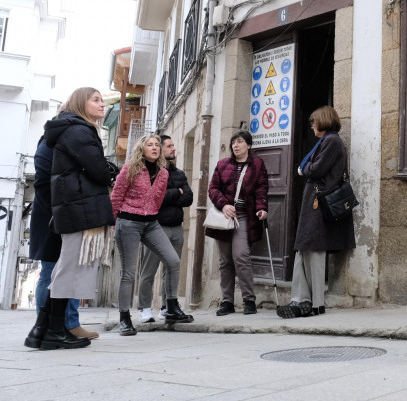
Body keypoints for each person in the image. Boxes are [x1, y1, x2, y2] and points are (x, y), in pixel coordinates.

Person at [24, 88, 116, 350]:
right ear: (79, 104)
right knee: (63, 271)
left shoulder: (71, 131)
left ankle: (44, 329)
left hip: (70, 206)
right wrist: (108, 173)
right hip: (73, 208)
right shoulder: (78, 130)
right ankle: (53, 330)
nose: (102, 105)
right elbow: (97, 169)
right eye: (96, 100)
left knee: (64, 270)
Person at [277, 106, 355, 319]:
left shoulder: (331, 141)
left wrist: (304, 169)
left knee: (313, 249)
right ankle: (302, 300)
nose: (311, 126)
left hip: (318, 201)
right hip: (315, 201)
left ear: (324, 121)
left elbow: (317, 169)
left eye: (314, 122)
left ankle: (313, 303)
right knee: (305, 249)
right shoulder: (328, 141)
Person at [112, 134, 193, 335]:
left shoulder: (163, 173)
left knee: (173, 261)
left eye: (157, 145)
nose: (155, 148)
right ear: (142, 148)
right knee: (129, 272)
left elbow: (157, 200)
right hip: (128, 221)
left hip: (151, 222)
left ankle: (171, 305)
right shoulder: (130, 168)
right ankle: (124, 318)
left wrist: (151, 213)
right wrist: (115, 224)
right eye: (150, 145)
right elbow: (116, 197)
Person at [28, 135, 96, 340]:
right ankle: (45, 324)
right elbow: (43, 182)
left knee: (70, 270)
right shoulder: (48, 142)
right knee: (50, 271)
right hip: (51, 215)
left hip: (67, 213)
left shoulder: (69, 142)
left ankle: (69, 324)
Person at [206, 130, 269, 316]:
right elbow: (213, 189)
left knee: (241, 256)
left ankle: (249, 300)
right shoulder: (222, 164)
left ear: (248, 145)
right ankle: (227, 302)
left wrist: (262, 207)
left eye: (240, 142)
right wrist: (224, 205)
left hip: (244, 216)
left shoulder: (257, 164)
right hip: (224, 216)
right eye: (234, 142)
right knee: (225, 261)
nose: (235, 145)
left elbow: (262, 188)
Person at [136, 134, 193, 323]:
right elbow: (153, 199)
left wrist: (169, 196)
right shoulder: (151, 172)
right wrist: (176, 192)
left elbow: (189, 198)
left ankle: (167, 307)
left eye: (173, 145)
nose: (173, 149)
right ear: (159, 149)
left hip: (176, 227)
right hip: (155, 227)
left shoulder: (179, 174)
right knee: (149, 270)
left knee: (172, 268)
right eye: (169, 146)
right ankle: (144, 308)